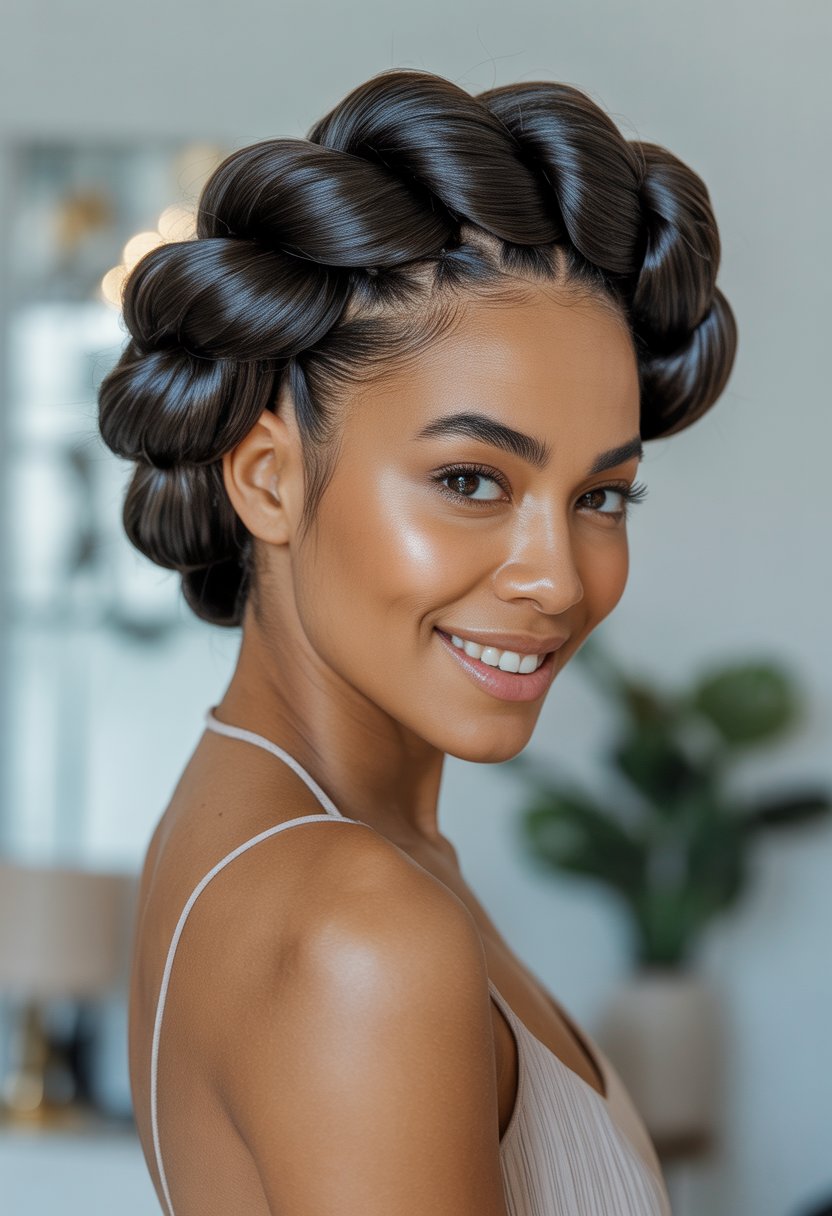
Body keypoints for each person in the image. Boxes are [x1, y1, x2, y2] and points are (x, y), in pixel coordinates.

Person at [98, 68, 736, 1216]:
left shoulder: (285, 835)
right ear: (268, 478)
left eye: (602, 497)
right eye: (469, 479)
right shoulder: (359, 927)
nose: (556, 578)